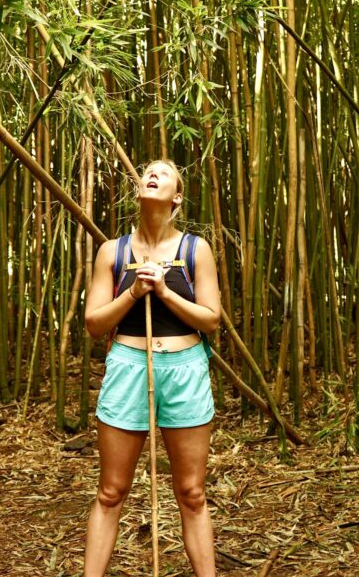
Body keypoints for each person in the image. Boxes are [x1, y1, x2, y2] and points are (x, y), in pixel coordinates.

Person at [82, 160, 220, 577]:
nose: (152, 174)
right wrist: (134, 292)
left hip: (184, 368)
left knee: (192, 493)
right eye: (146, 172)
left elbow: (211, 318)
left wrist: (162, 290)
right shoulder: (113, 251)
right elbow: (94, 324)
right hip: (128, 366)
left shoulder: (196, 249)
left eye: (163, 172)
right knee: (111, 492)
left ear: (177, 197)